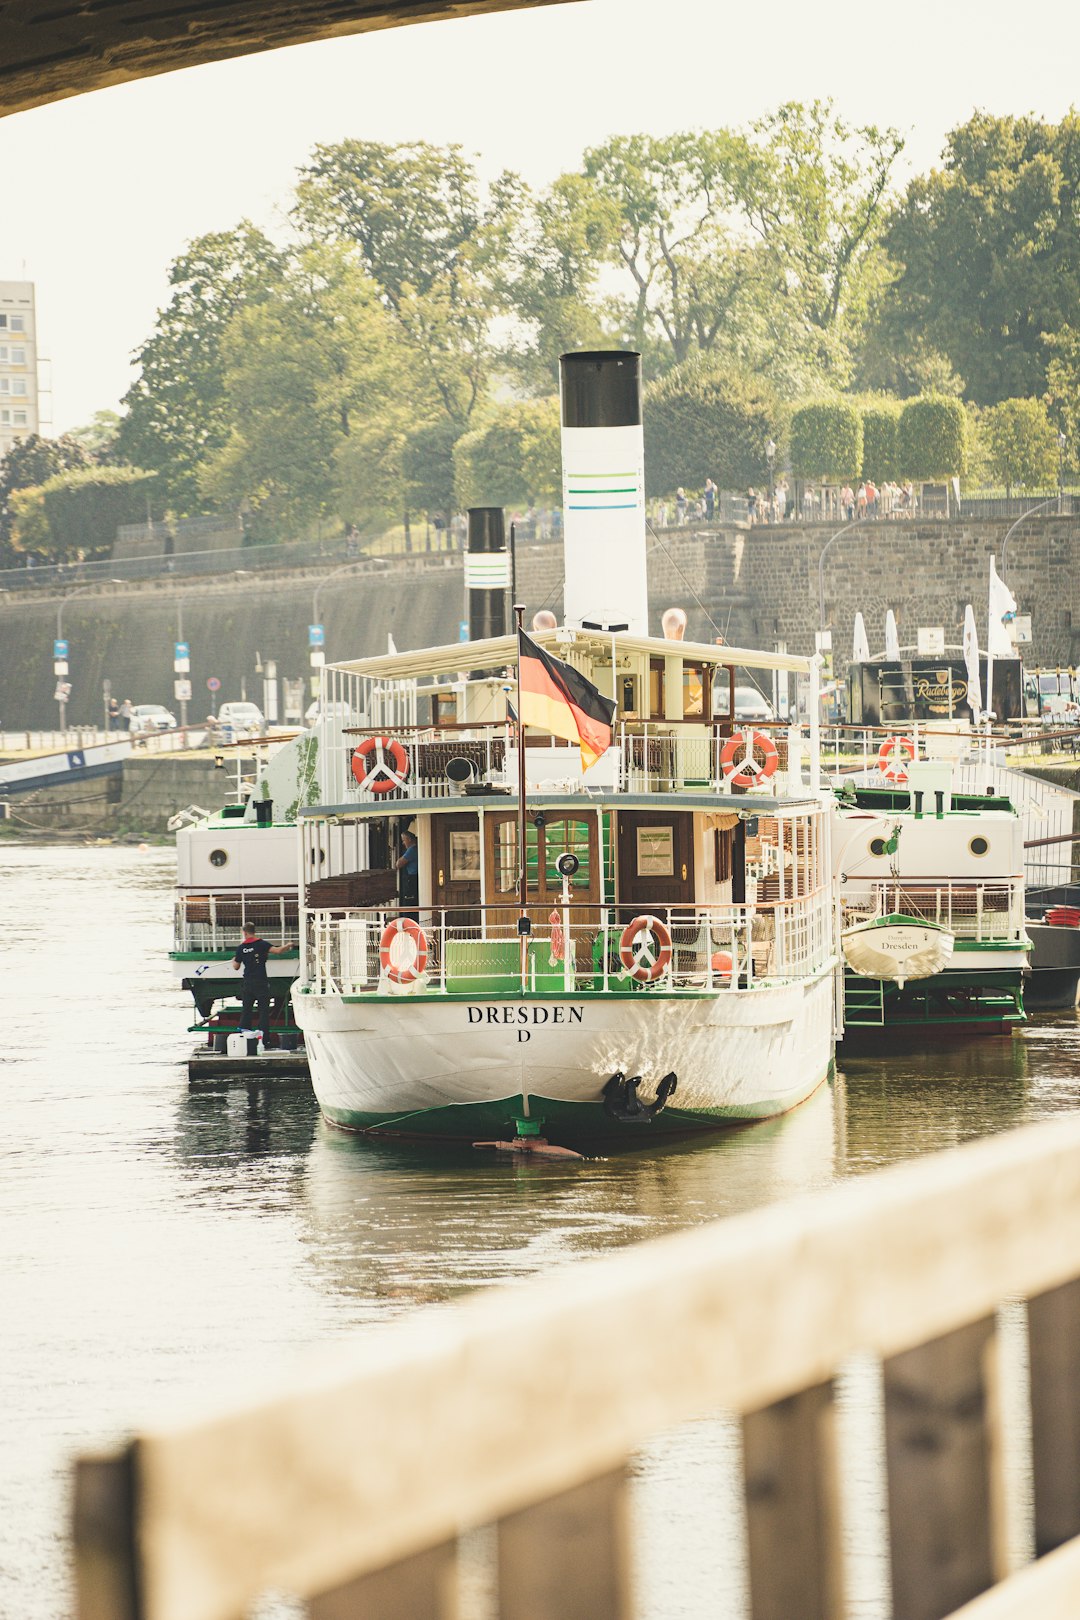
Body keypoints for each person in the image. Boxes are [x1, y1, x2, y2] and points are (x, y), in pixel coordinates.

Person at [232, 922, 289, 1045]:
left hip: (248, 983)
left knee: (246, 1009)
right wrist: (288, 945)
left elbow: (236, 966)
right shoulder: (262, 944)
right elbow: (278, 951)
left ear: (244, 933)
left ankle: (244, 1035)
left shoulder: (241, 948)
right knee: (263, 1011)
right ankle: (264, 1038)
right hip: (261, 982)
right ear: (254, 931)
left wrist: (234, 960)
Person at [395, 828, 419, 919]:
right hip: (415, 877)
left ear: (409, 840)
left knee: (410, 901)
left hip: (412, 878)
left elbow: (399, 864)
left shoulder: (411, 850)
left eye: (404, 840)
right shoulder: (416, 849)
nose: (403, 843)